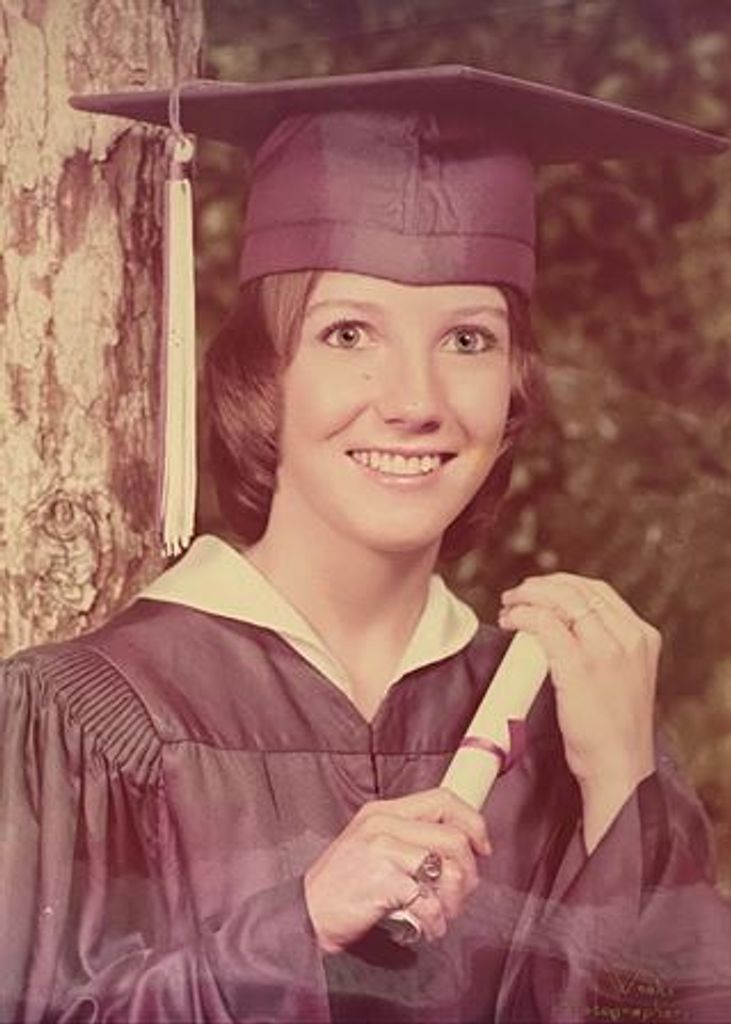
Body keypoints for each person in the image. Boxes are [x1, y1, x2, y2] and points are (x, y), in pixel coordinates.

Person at [2, 66, 730, 1023]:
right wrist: (294, 927)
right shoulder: (89, 717)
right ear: (262, 373)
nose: (416, 401)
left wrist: (624, 791)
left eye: (467, 341)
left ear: (513, 384)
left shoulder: (564, 721)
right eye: (348, 334)